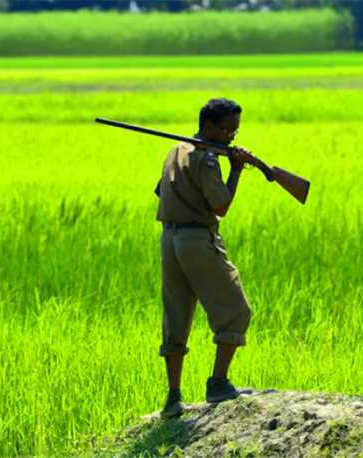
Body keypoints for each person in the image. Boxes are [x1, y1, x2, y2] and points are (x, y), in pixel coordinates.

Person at [155, 98, 254, 418]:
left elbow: (161, 191)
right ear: (209, 125)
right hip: (198, 239)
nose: (231, 137)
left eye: (235, 131)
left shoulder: (175, 151)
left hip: (169, 239)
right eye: (227, 130)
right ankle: (219, 383)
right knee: (236, 311)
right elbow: (221, 206)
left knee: (176, 315)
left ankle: (173, 398)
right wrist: (236, 170)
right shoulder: (208, 160)